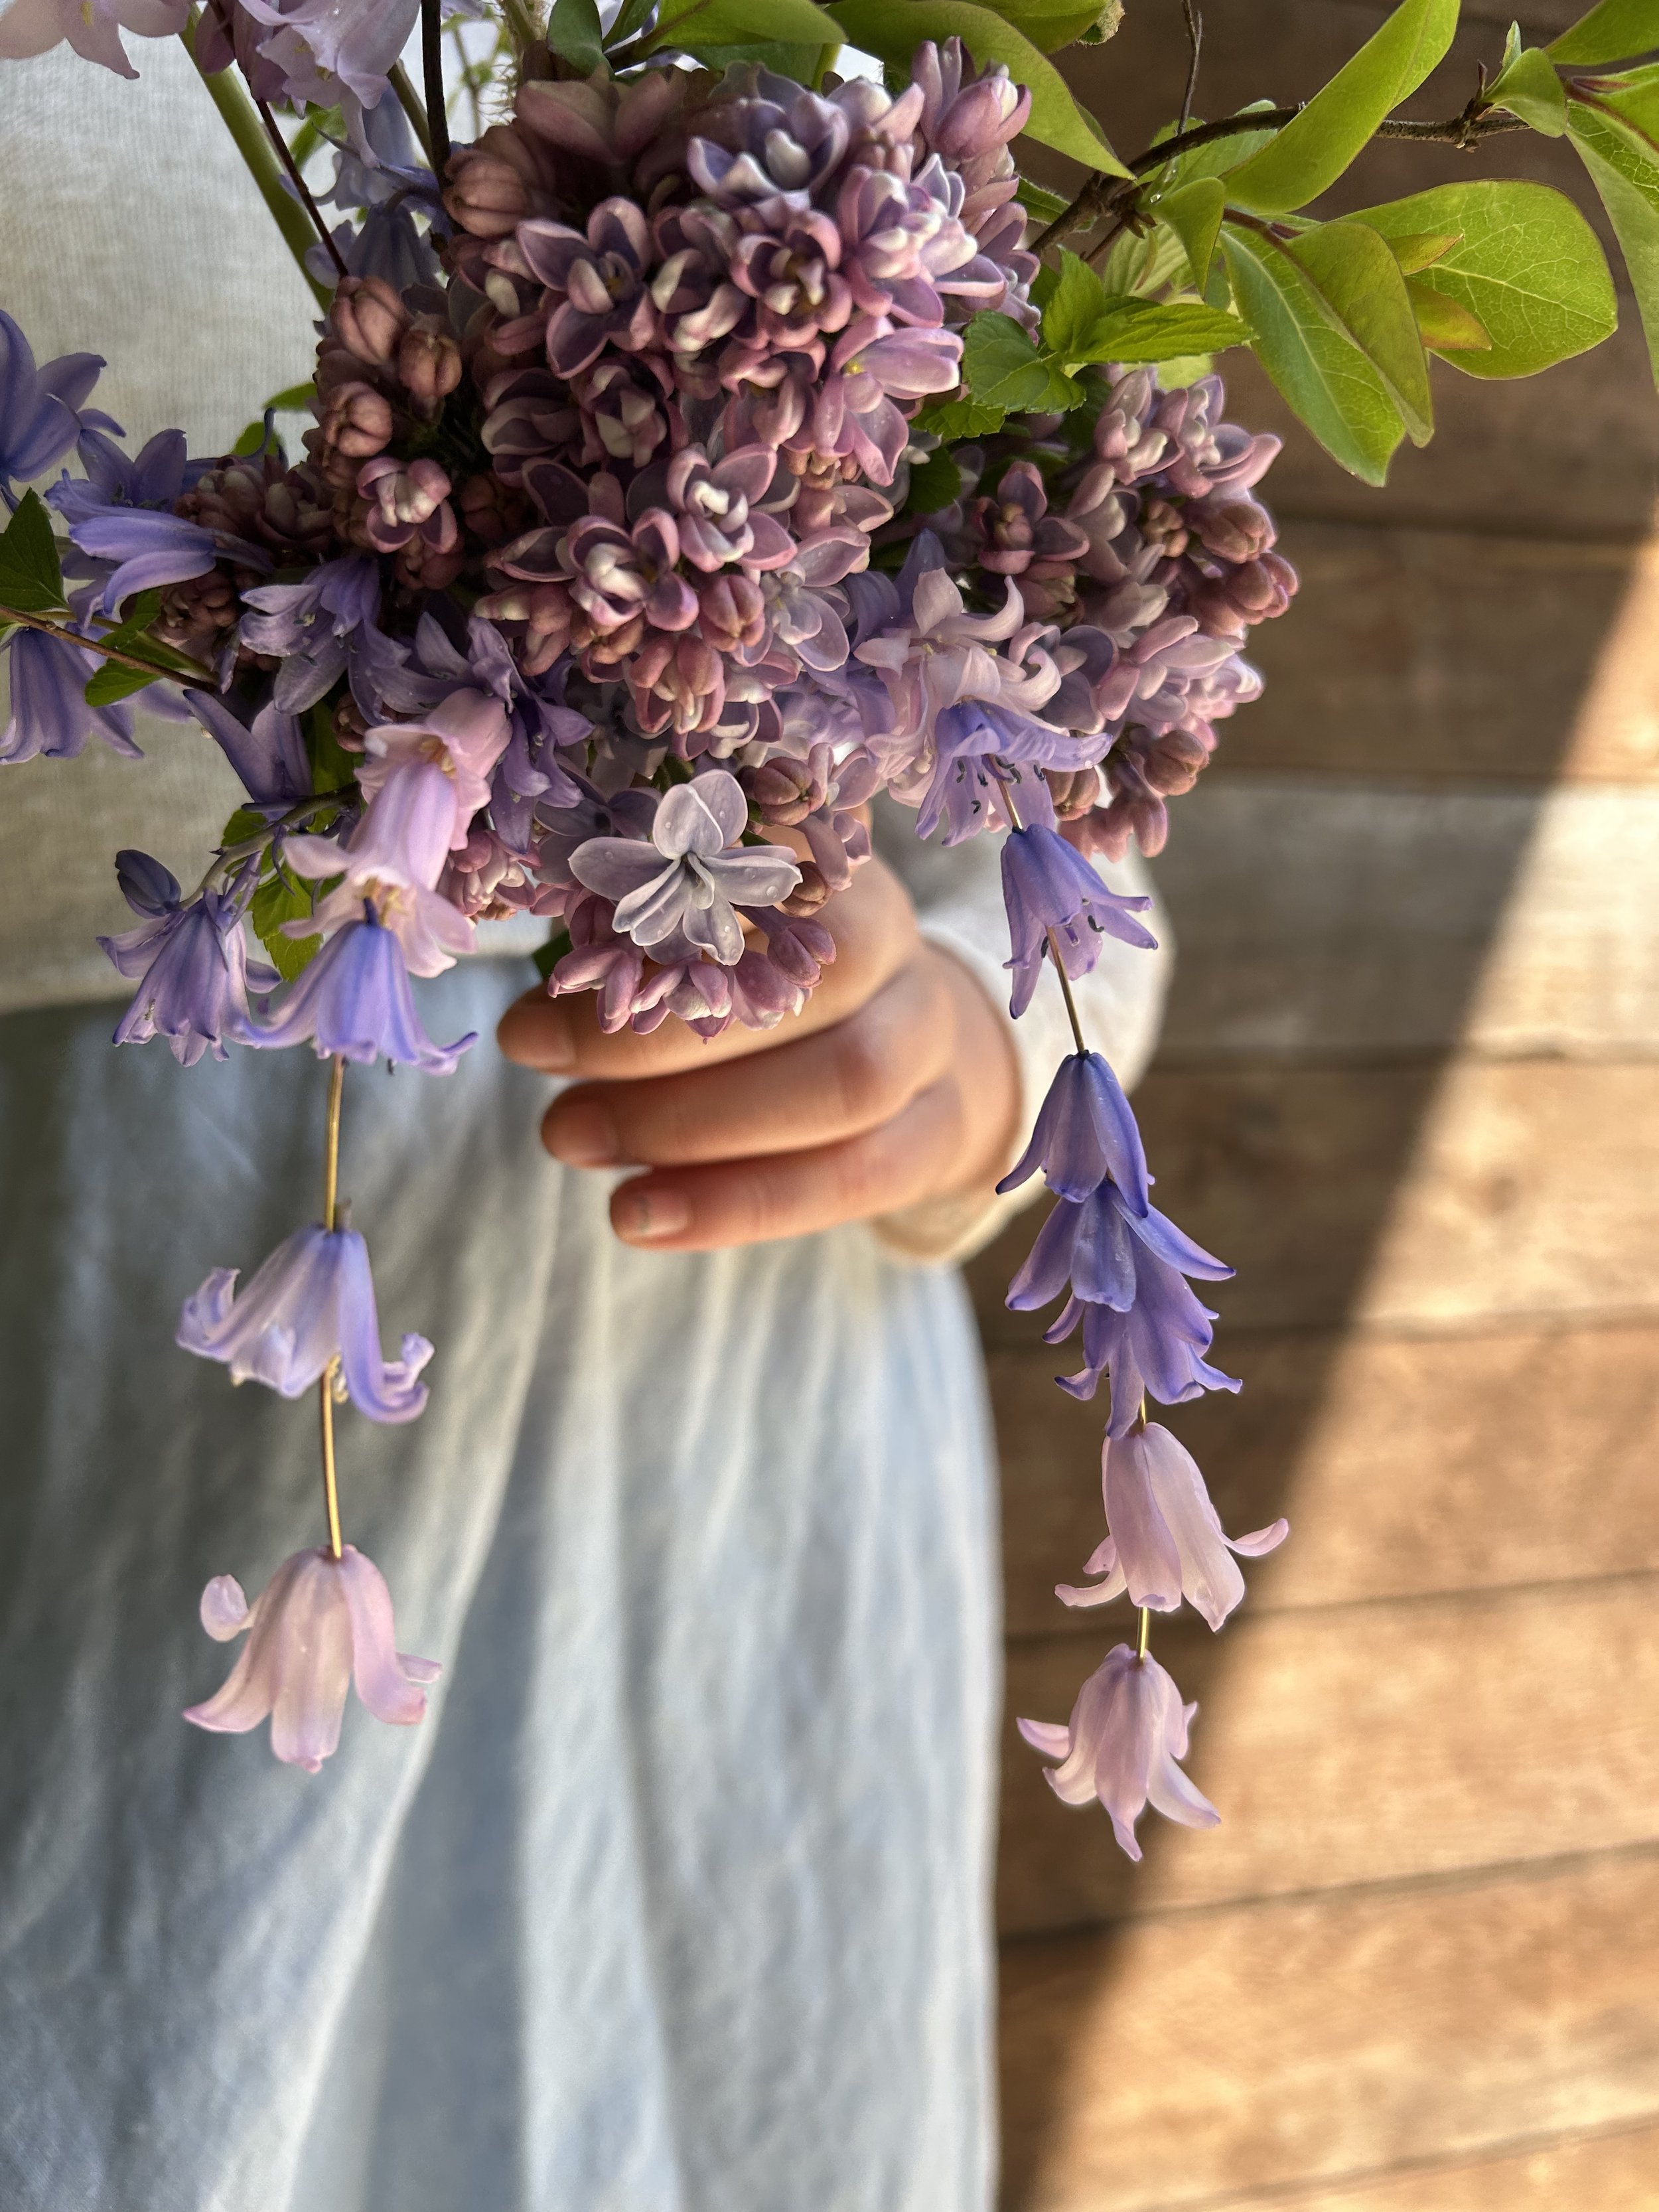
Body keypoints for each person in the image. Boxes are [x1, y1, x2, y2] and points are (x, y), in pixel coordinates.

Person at [0, 37, 1168, 2211]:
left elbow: (1059, 768)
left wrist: (966, 1056)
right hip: (102, 1269)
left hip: (756, 1402)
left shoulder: (812, 66)